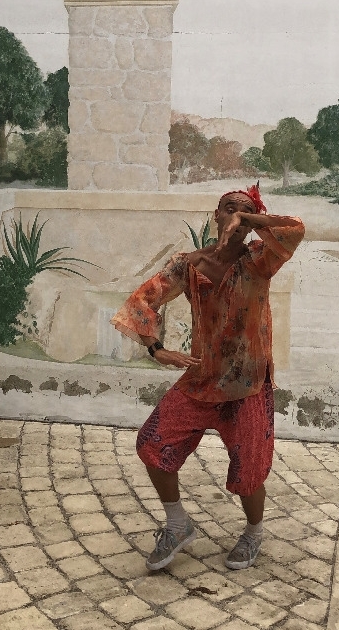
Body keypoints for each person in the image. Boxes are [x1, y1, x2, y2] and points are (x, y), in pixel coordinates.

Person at [111, 184, 305, 571]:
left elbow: (294, 229)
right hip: (201, 379)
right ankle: (177, 525)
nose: (236, 214)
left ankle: (253, 533)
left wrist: (248, 218)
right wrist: (155, 347)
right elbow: (142, 300)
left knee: (249, 474)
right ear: (215, 216)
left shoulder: (261, 260)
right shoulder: (189, 264)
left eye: (245, 211)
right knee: (152, 445)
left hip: (248, 385)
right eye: (229, 208)